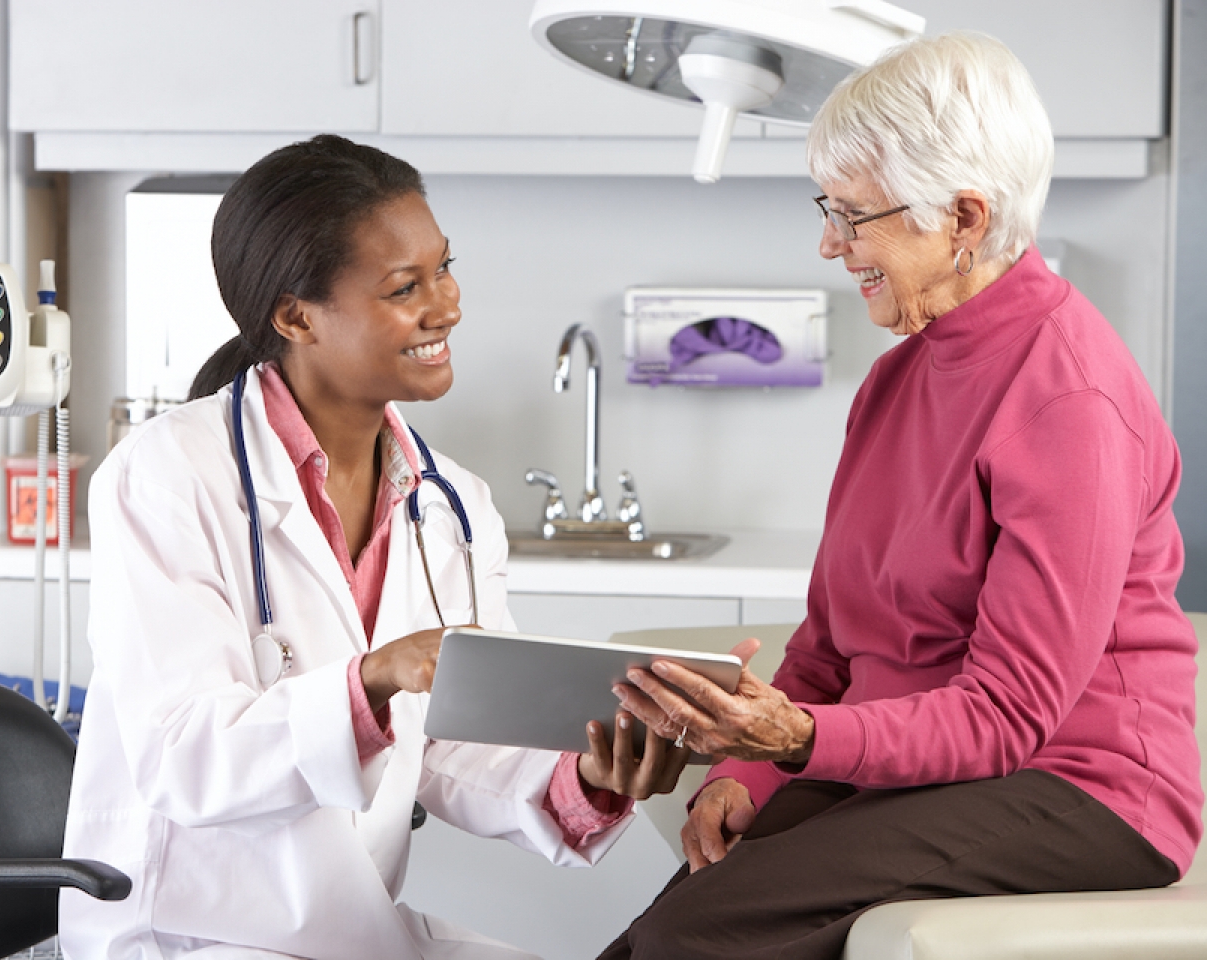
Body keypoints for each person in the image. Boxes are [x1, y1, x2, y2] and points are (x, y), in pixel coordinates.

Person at [600, 32, 1202, 960]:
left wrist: (797, 739)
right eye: (827, 209)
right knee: (648, 935)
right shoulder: (895, 382)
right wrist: (750, 778)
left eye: (854, 216)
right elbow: (829, 644)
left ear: (963, 217)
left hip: (1079, 787)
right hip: (926, 771)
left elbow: (1006, 716)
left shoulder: (1069, 400)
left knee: (694, 938)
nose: (830, 244)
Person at [59, 134, 690, 960]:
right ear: (295, 316)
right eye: (405, 287)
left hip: (352, 929)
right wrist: (376, 679)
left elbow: (460, 746)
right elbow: (186, 757)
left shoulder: (452, 505)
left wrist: (591, 780)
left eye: (444, 268)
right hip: (190, 932)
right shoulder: (168, 474)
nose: (447, 305)